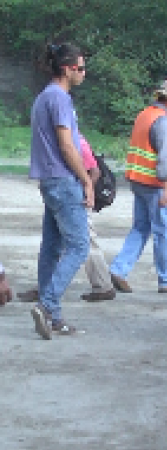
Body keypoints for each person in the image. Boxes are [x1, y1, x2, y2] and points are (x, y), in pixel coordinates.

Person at [28, 43, 92, 339]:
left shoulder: (44, 97)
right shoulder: (60, 99)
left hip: (48, 181)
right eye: (80, 68)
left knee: (52, 246)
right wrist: (87, 180)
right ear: (66, 69)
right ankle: (48, 304)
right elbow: (67, 146)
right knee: (79, 246)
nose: (83, 72)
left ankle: (52, 317)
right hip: (64, 180)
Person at [109, 80, 167, 294]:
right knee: (166, 232)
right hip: (157, 185)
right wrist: (165, 189)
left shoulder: (144, 115)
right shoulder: (163, 121)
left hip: (139, 181)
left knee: (140, 228)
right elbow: (164, 158)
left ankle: (118, 269)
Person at [18, 134, 117, 304]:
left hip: (76, 198)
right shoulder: (66, 137)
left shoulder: (75, 139)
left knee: (84, 241)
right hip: (70, 196)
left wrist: (85, 190)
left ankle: (102, 286)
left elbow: (94, 170)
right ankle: (50, 286)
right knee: (67, 242)